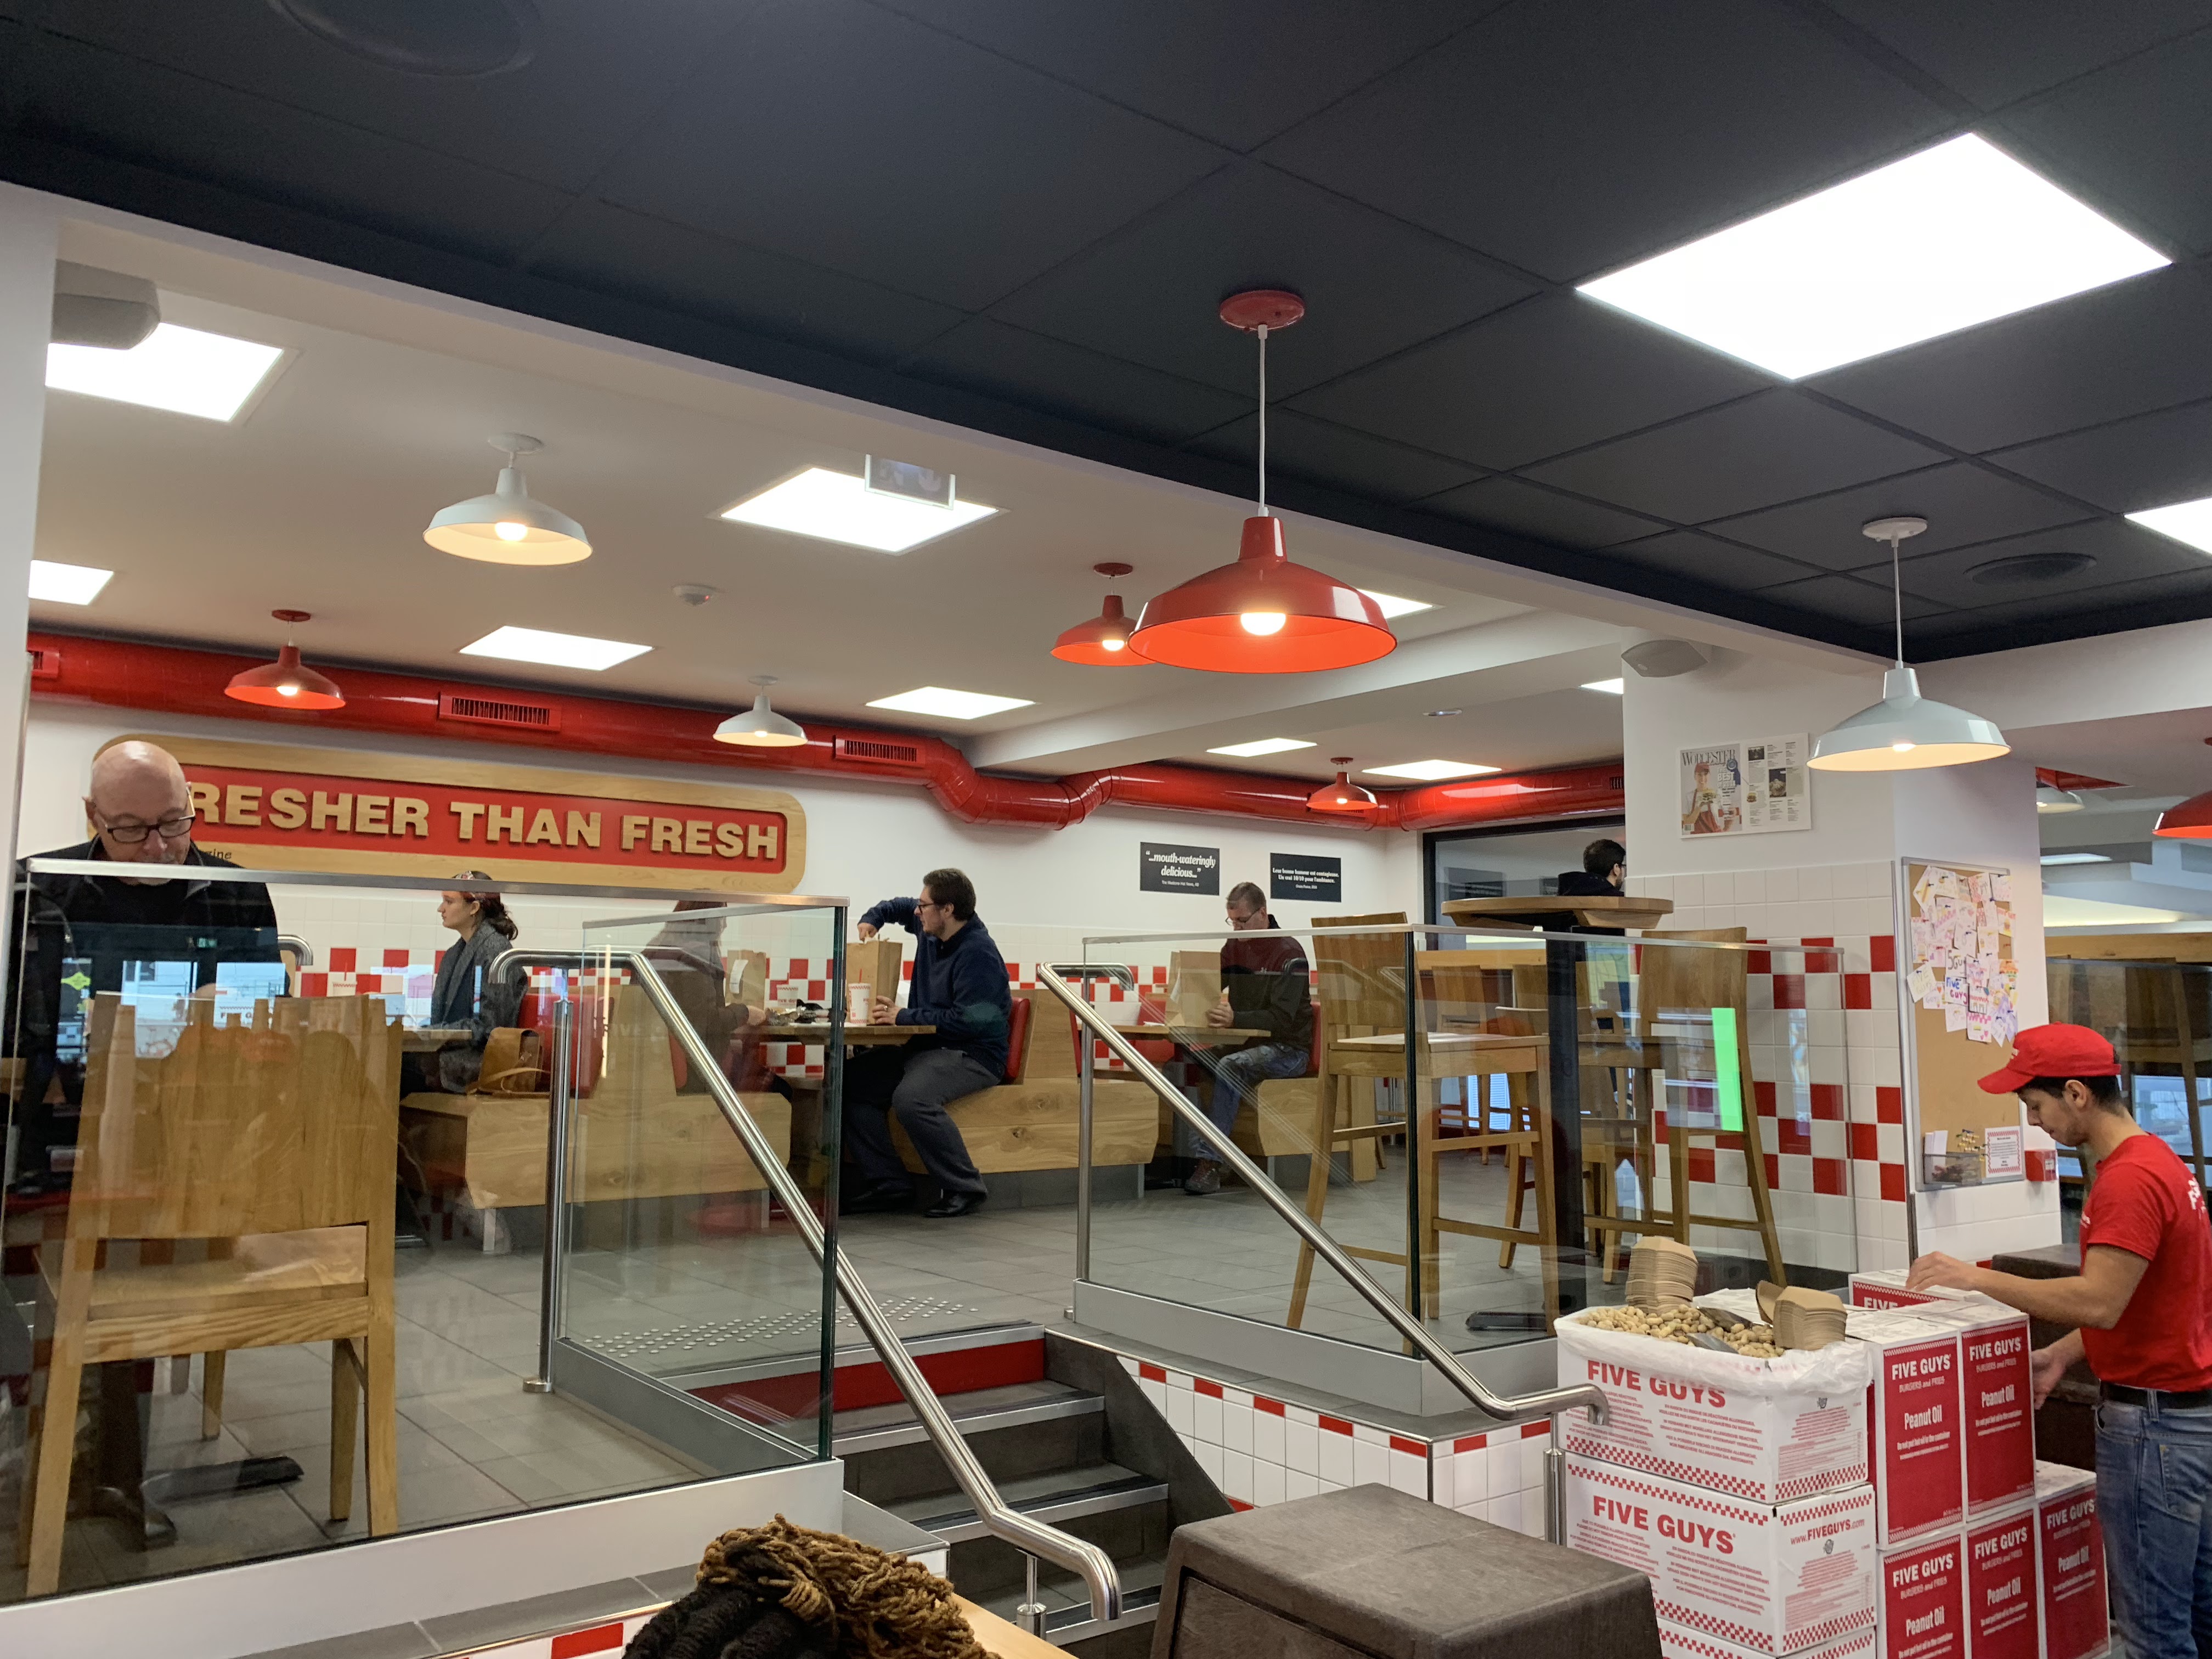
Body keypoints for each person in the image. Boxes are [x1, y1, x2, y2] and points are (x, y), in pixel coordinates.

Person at [1907, 1024, 2212, 1659]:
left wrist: (1977, 1277)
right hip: (2189, 1422)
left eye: (2035, 1106)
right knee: (2199, 1615)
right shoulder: (2162, 1162)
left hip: (2154, 1432)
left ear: (2076, 1094)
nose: (2035, 1123)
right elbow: (2149, 1300)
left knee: (2154, 1633)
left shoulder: (2128, 1180)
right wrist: (2062, 1354)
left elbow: (2100, 1301)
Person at [9, 739, 280, 1194]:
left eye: (173, 822)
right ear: (94, 815)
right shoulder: (38, 890)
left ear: (190, 800)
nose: (158, 847)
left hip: (205, 1123)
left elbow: (273, 1006)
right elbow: (14, 1022)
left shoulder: (236, 892)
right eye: (131, 829)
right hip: (70, 1123)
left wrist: (231, 1004)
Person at [843, 868, 1009, 1219]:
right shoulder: (931, 928)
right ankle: (890, 1184)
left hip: (974, 1055)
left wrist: (904, 1017)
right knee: (849, 1083)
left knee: (913, 1099)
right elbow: (898, 906)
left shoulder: (979, 954)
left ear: (947, 909)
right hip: (925, 1049)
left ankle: (966, 1187)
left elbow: (970, 1022)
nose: (917, 911)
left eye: (924, 905)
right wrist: (873, 918)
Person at [1183, 882, 1312, 1196]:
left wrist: (1236, 1019)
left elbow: (1282, 1019)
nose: (1237, 929)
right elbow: (1210, 983)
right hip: (1246, 1043)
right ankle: (1186, 1152)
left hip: (1289, 1050)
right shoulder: (1234, 947)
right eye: (1232, 921)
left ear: (1263, 914)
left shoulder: (1290, 954)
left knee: (1231, 1065)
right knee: (1191, 1060)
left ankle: (1211, 1161)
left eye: (1242, 921)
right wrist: (1187, 1000)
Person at [404, 873, 524, 1094]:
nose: (441, 909)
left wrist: (430, 1034)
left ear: (474, 908)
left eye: (449, 901)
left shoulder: (495, 952)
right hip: (454, 1054)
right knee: (392, 1058)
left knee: (397, 1066)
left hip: (480, 1061)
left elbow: (490, 1028)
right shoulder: (454, 954)